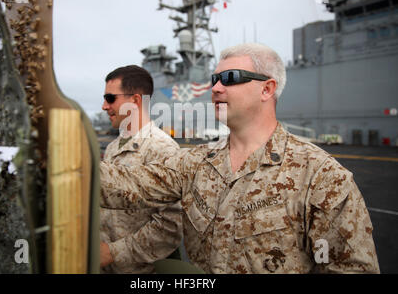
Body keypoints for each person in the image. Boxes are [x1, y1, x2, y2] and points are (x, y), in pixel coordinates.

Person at [99, 43, 380, 274]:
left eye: (230, 78)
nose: (216, 88)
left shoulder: (322, 177)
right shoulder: (194, 163)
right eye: (214, 79)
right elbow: (127, 186)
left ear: (267, 89)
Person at [99, 65, 183, 273]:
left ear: (135, 101)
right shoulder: (111, 148)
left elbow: (172, 226)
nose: (103, 106)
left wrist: (113, 252)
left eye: (110, 98)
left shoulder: (162, 149)